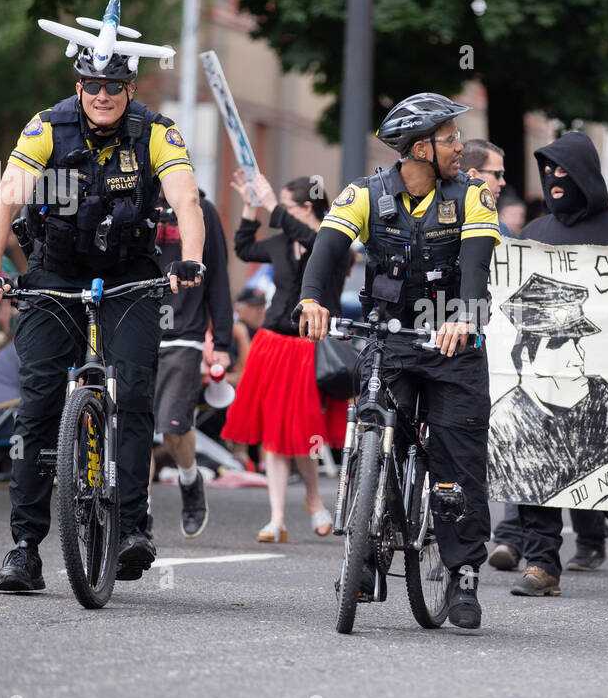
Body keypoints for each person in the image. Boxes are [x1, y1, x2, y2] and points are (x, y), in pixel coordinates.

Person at [0, 17, 205, 593]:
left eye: (114, 87)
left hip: (130, 272)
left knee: (133, 384)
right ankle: (24, 548)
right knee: (38, 403)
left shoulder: (157, 132)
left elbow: (187, 200)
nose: (102, 96)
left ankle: (131, 526)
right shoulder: (46, 127)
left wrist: (190, 259)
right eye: (92, 86)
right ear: (78, 87)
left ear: (131, 89)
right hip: (55, 271)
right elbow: (3, 205)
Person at [296, 91, 499, 630]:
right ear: (418, 148)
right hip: (388, 341)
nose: (460, 147)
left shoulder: (472, 196)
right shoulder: (364, 194)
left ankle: (462, 575)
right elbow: (327, 251)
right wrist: (312, 299)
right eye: (450, 138)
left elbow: (476, 270)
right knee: (371, 432)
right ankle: (363, 553)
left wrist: (466, 317)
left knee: (458, 458)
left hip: (453, 345)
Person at [501, 131, 608, 598]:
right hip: (542, 376)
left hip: (604, 376)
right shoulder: (532, 235)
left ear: (587, 174)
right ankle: (541, 563)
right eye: (548, 171)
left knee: (604, 475)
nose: (556, 180)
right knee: (534, 463)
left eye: (564, 171)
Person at [223, 170, 348, 541]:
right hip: (273, 343)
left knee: (303, 432)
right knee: (275, 434)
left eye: (287, 206)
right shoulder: (280, 244)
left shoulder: (329, 241)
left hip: (310, 346)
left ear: (307, 207)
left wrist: (274, 206)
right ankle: (277, 518)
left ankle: (313, 500)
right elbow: (245, 248)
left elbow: (311, 238)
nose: (278, 212)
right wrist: (249, 207)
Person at [151, 189, 233, 538]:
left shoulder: (202, 208)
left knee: (173, 427)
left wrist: (224, 342)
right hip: (134, 329)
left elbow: (218, 279)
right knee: (131, 427)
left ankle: (189, 479)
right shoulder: (126, 199)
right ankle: (139, 515)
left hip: (184, 333)